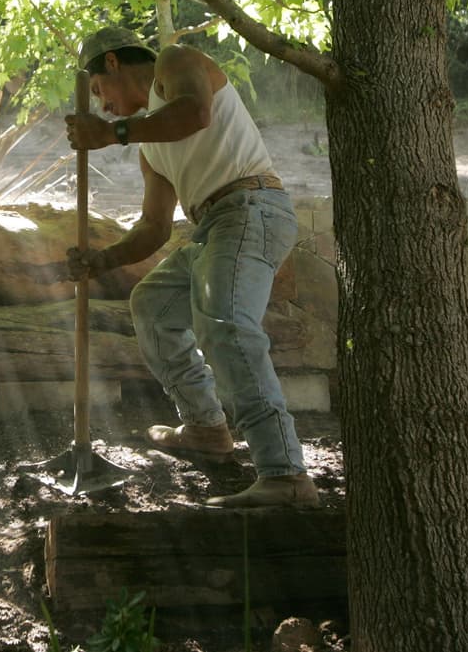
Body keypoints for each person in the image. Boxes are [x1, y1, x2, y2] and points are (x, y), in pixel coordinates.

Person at [64, 25, 318, 508]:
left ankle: (286, 474)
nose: (103, 106)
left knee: (224, 323)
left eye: (98, 90)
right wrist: (102, 260)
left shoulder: (175, 62)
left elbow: (195, 114)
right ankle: (205, 427)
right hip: (213, 225)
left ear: (113, 63)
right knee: (154, 304)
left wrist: (111, 134)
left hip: (252, 205)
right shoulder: (150, 150)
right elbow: (155, 228)